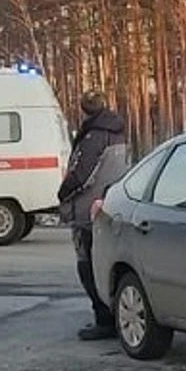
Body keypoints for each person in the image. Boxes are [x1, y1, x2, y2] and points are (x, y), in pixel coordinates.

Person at [56, 92, 131, 340]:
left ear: (84, 110)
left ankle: (103, 318)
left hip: (88, 210)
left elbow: (81, 175)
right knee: (108, 263)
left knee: (87, 264)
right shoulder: (118, 132)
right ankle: (115, 314)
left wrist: (63, 194)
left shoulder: (93, 137)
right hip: (111, 203)